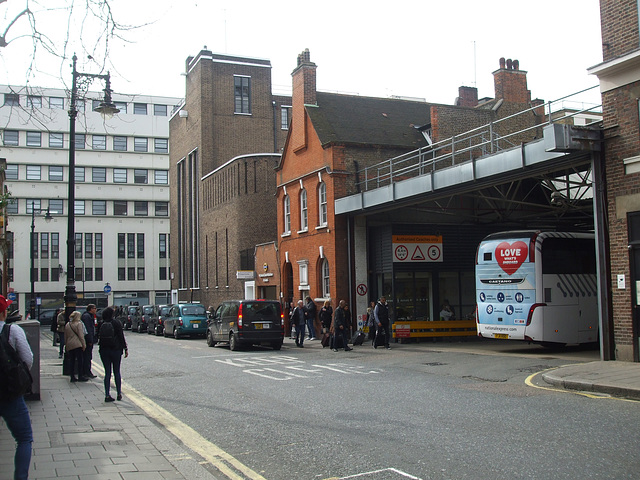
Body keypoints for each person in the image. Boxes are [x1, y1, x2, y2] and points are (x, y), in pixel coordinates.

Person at [0, 294, 34, 480]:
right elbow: (28, 359)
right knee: (24, 438)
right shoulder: (12, 331)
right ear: (4, 312)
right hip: (10, 392)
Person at [97, 306, 128, 402]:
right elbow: (120, 336)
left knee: (107, 373)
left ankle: (107, 395)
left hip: (104, 350)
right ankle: (119, 393)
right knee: (116, 372)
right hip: (116, 350)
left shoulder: (101, 323)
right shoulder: (116, 322)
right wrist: (125, 348)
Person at [65, 311, 88, 382]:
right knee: (80, 361)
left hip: (70, 344)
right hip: (78, 344)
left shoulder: (68, 324)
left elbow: (65, 336)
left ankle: (72, 376)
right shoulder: (79, 324)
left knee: (72, 361)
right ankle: (80, 376)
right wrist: (84, 345)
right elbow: (81, 336)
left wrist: (66, 345)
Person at [81, 304, 97, 379]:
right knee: (87, 356)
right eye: (95, 308)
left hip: (88, 339)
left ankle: (87, 371)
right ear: (91, 309)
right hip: (88, 340)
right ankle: (86, 372)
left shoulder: (89, 316)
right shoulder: (87, 316)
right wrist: (90, 340)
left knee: (88, 356)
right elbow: (88, 329)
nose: (96, 310)